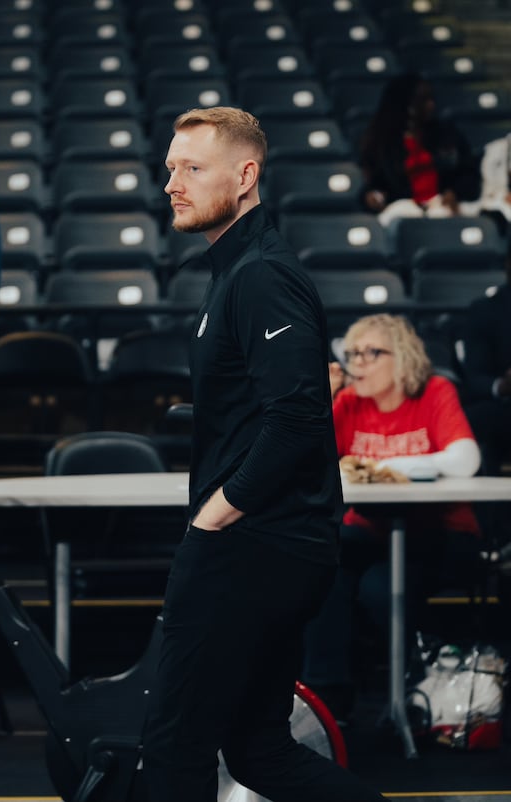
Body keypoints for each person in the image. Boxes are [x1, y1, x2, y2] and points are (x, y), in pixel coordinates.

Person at [142, 107, 386, 802]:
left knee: (173, 750)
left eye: (192, 168)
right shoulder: (236, 273)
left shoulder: (259, 277)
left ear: (245, 176)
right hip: (277, 547)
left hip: (251, 547)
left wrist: (215, 515)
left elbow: (298, 418)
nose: (172, 185)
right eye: (169, 169)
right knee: (258, 754)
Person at [302, 313, 483, 724]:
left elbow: (465, 458)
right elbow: (310, 465)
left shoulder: (434, 391)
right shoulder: (348, 401)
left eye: (371, 353)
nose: (357, 363)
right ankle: (327, 698)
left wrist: (381, 464)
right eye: (351, 354)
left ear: (401, 357)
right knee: (317, 564)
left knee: (380, 586)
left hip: (442, 534)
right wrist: (321, 402)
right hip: (370, 531)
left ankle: (422, 689)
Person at [358, 73, 480, 228]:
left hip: (442, 205)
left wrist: (455, 192)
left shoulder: (447, 134)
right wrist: (372, 197)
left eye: (431, 99)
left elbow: (468, 172)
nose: (431, 105)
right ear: (406, 104)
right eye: (422, 101)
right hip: (405, 208)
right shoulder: (382, 141)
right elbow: (374, 185)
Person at [461, 251, 511, 477]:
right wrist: (502, 385)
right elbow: (475, 380)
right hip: (504, 406)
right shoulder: (486, 310)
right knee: (479, 416)